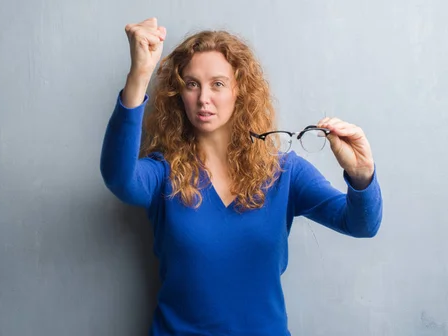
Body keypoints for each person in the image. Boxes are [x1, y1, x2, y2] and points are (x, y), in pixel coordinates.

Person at [100, 17, 383, 336]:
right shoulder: (164, 172)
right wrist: (139, 74)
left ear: (239, 91)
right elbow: (119, 179)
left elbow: (361, 225)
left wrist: (362, 176)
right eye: (192, 84)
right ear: (180, 94)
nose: (203, 97)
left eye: (217, 84)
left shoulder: (285, 172)